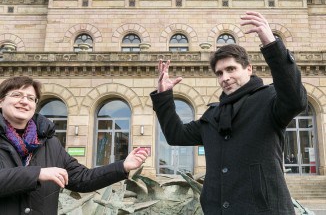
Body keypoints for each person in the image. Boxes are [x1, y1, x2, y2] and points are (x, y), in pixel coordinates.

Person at [150, 11, 307, 214]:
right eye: (220, 73)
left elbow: (295, 99)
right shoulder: (213, 116)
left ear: (248, 69)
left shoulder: (268, 99)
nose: (225, 77)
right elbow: (175, 135)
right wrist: (164, 97)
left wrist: (271, 44)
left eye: (231, 69)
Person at [0, 76, 149, 214]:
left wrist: (123, 166)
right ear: (1, 101)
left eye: (31, 98)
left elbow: (82, 178)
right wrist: (37, 174)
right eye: (17, 95)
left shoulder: (50, 143)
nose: (25, 101)